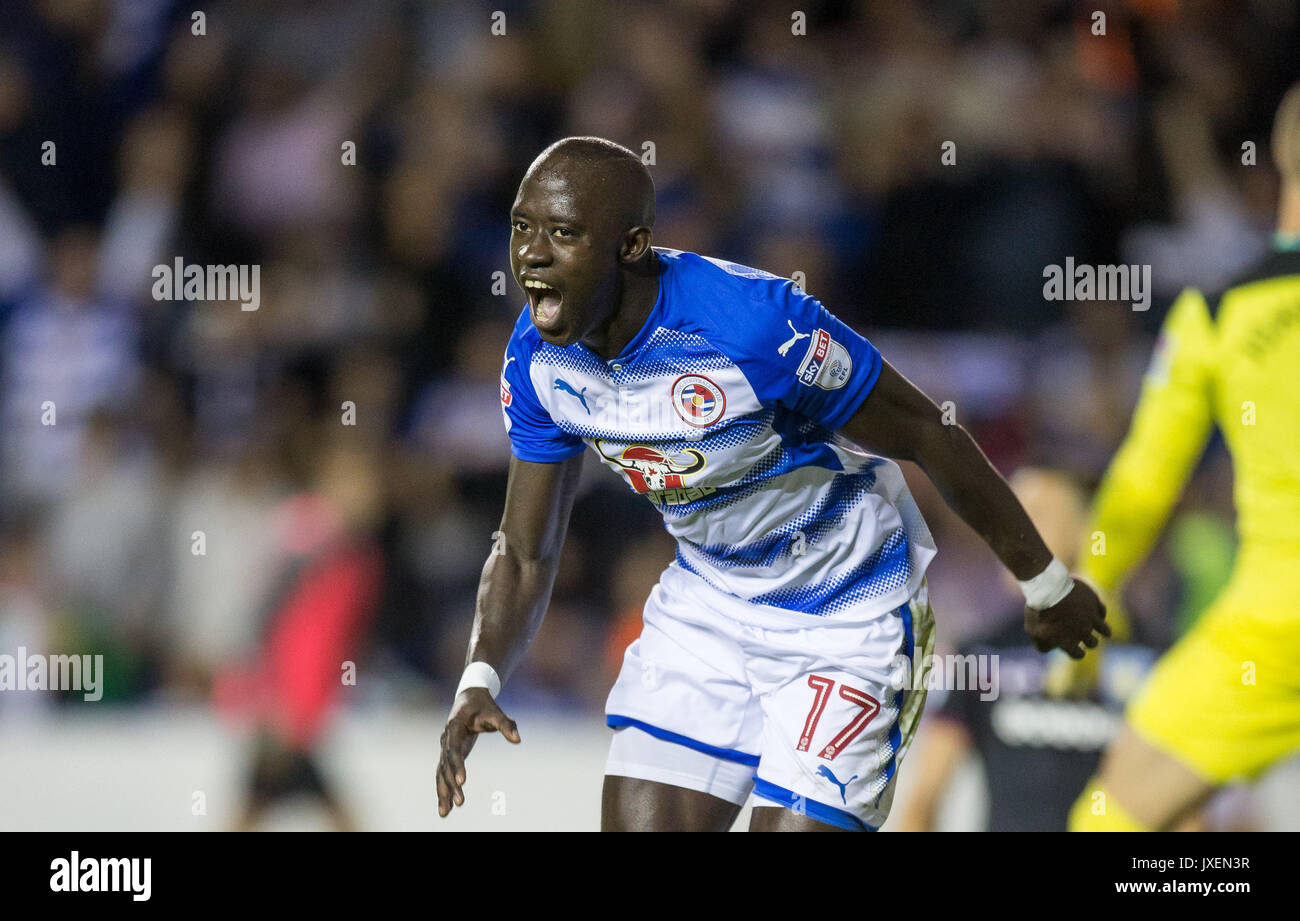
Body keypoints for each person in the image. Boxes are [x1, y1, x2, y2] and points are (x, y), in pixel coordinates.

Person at [437, 136, 1107, 832]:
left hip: (848, 614)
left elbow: (926, 433)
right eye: (522, 226)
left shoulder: (752, 325)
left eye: (564, 234)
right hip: (710, 608)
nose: (531, 255)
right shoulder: (539, 360)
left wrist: (1045, 583)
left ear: (631, 245)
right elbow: (523, 548)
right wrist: (479, 676)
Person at [1070, 83, 1300, 832]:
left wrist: (1090, 586)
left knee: (1113, 819)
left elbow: (1144, 476)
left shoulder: (1221, 311)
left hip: (1276, 621)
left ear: (1281, 159)